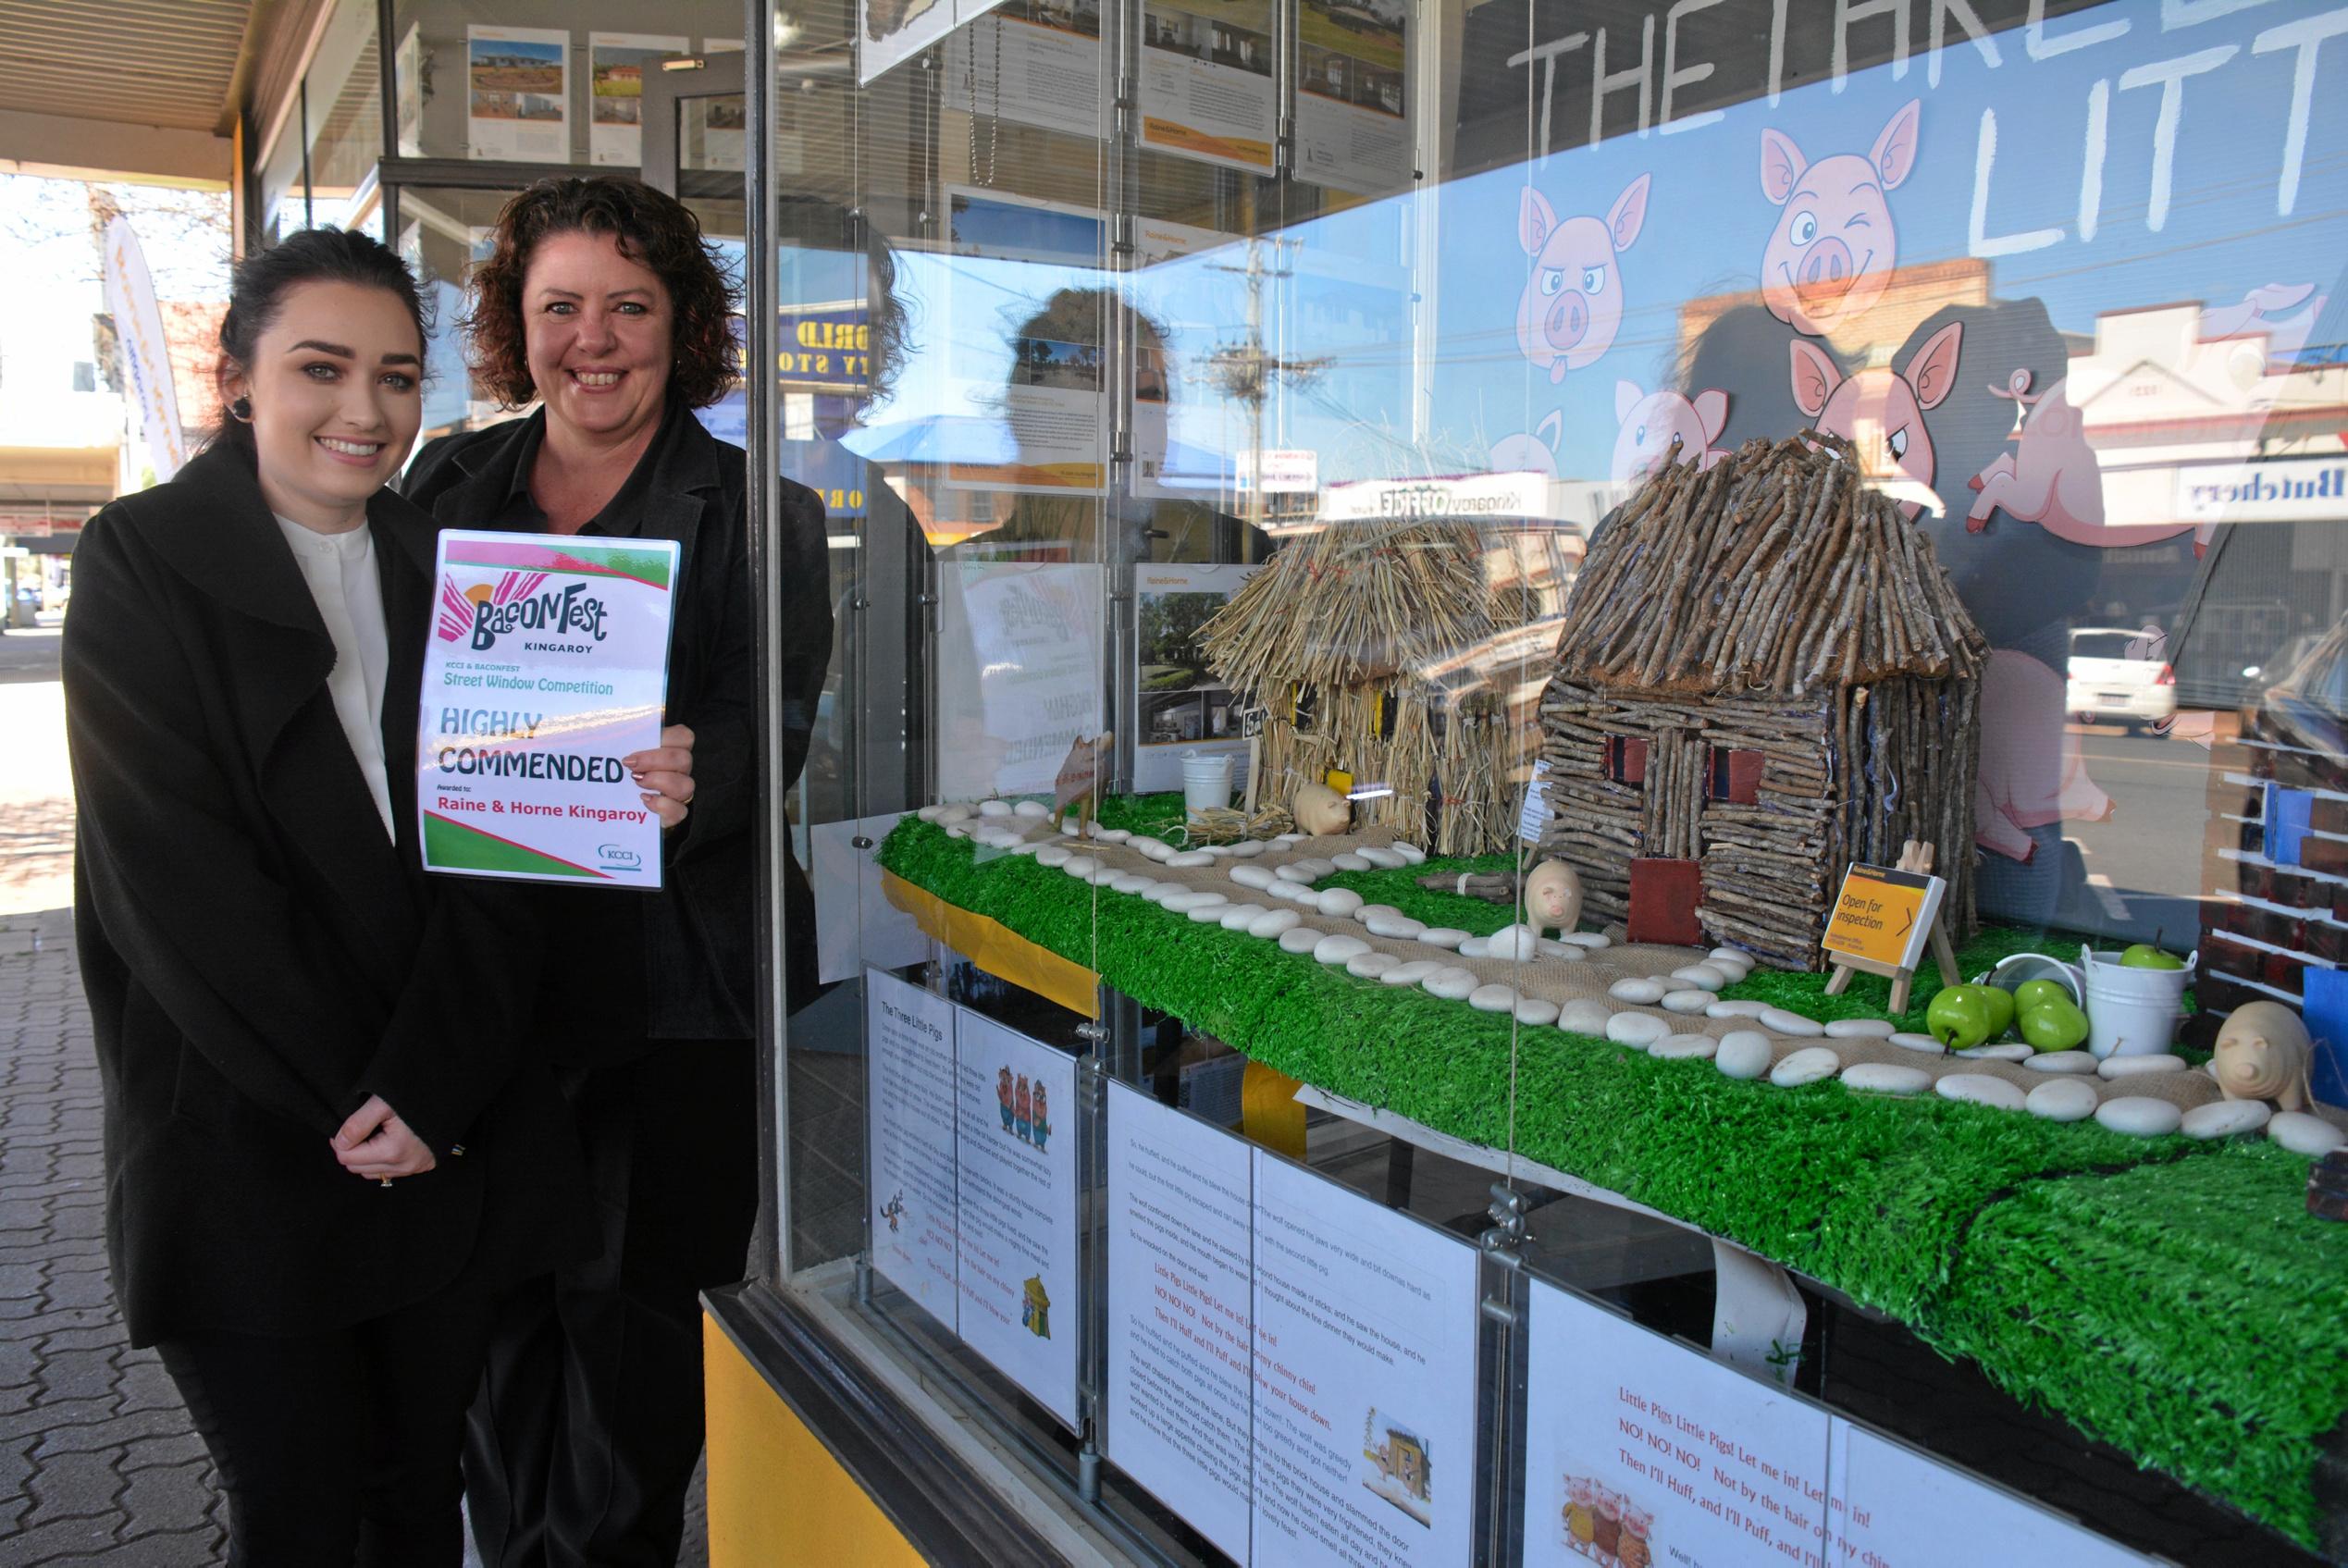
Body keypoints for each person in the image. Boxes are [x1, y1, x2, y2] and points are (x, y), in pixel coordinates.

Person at [62, 228, 607, 1564]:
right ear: (241, 377)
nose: (364, 412)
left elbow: (507, 868)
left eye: (399, 376)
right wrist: (363, 1099)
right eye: (322, 369)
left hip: (444, 1133)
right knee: (297, 1510)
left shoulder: (474, 575)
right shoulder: (141, 559)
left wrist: (431, 1091)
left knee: (419, 1497)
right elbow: (180, 888)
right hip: (247, 1142)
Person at [402, 175, 833, 1568]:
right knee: (493, 1331)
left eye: (630, 306)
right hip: (485, 986)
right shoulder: (441, 485)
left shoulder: (762, 510)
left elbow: (774, 719)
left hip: (676, 998)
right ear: (515, 324)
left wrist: (697, 770)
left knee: (639, 1356)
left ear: (682, 324)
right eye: (560, 306)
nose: (595, 338)